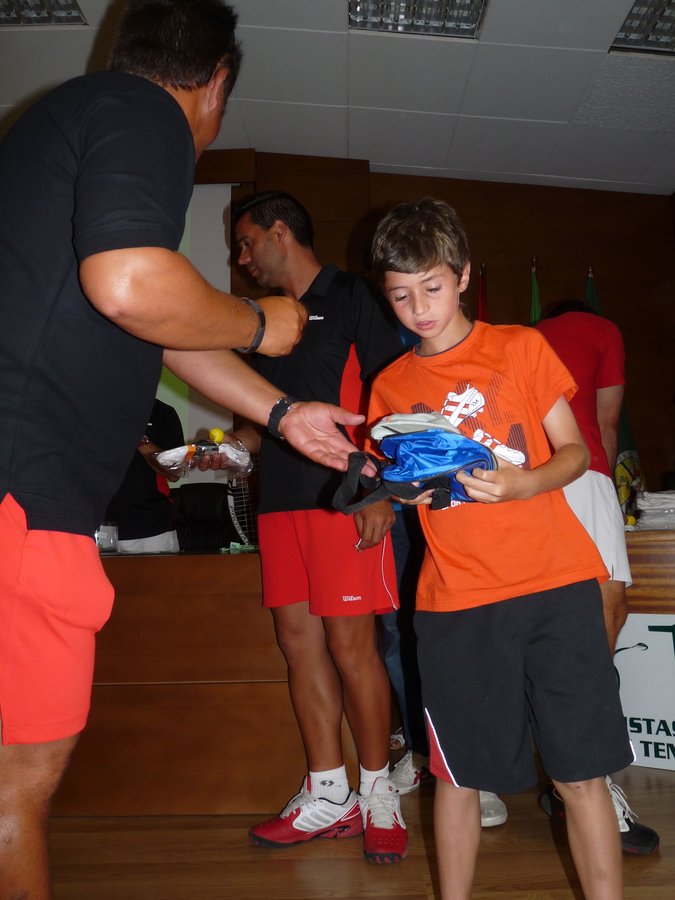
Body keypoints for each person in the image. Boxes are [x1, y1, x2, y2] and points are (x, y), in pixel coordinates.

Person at [0, 4, 371, 896]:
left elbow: (160, 324)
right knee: (16, 782)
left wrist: (283, 413)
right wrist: (260, 321)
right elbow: (131, 285)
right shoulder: (142, 111)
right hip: (24, 496)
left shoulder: (62, 124)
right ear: (215, 85)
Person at [366, 197, 633, 899]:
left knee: (581, 773)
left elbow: (575, 452)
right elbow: (401, 482)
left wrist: (521, 484)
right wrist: (402, 489)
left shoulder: (519, 348)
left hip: (556, 584)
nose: (418, 308)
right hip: (455, 602)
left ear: (461, 275)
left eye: (431, 287)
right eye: (400, 294)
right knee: (457, 775)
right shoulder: (389, 386)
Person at [228, 191, 409, 863]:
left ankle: (379, 792)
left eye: (247, 242)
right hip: (279, 505)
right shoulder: (264, 323)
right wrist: (229, 450)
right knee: (298, 645)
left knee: (352, 649)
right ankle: (329, 793)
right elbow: (261, 420)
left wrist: (377, 489)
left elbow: (393, 395)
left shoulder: (355, 295)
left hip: (345, 500)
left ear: (281, 232)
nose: (241, 258)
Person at [536, 300, 660, 855]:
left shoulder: (525, 336)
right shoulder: (601, 327)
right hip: (581, 474)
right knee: (605, 616)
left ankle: (560, 778)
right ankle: (586, 777)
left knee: (541, 623)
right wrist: (608, 496)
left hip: (520, 482)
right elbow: (606, 424)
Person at [106, 398, 185, 553]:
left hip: (152, 530)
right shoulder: (93, 408)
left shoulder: (162, 412)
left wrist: (139, 439)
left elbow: (175, 472)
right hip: (100, 528)